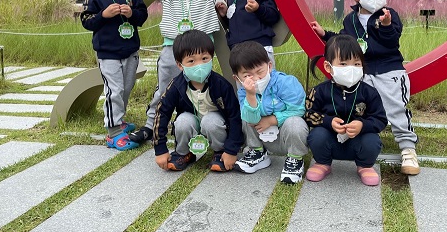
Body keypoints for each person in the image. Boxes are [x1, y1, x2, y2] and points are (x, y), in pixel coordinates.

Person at [310, 0, 420, 175]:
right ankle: (357, 140)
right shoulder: (350, 20)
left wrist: (386, 25)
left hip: (389, 69)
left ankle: (407, 147)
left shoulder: (389, 15)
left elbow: (392, 41)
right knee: (359, 106)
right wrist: (325, 35)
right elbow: (345, 41)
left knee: (395, 106)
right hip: (362, 70)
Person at [129, 0, 225, 144]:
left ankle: (201, 125)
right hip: (172, 47)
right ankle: (151, 125)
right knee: (164, 88)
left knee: (202, 89)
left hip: (201, 50)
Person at [80, 0, 149, 151]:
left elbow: (142, 16)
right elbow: (87, 21)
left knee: (126, 88)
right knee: (114, 90)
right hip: (107, 54)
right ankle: (113, 131)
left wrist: (131, 13)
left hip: (130, 51)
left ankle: (119, 120)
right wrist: (103, 15)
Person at [153, 30, 243, 172]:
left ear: (212, 57)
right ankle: (183, 152)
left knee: (211, 121)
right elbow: (162, 112)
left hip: (215, 123)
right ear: (180, 65)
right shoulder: (176, 86)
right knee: (182, 121)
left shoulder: (222, 85)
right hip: (191, 121)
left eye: (204, 58)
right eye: (191, 61)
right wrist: (160, 149)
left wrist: (231, 150)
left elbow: (234, 116)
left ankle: (220, 152)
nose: (199, 65)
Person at [305, 35, 387, 185]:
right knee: (317, 135)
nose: (351, 69)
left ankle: (365, 166)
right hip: (330, 142)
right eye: (343, 64)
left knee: (372, 140)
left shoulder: (369, 92)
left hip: (358, 143)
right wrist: (328, 121)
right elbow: (308, 115)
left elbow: (380, 119)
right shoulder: (319, 91)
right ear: (328, 67)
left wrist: (363, 125)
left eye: (356, 64)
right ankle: (322, 163)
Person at [231, 41, 309, 184]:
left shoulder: (286, 83)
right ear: (237, 78)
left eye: (260, 72)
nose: (256, 78)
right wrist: (250, 95)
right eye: (247, 75)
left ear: (269, 66)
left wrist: (273, 120)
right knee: (245, 114)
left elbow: (299, 109)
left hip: (286, 136)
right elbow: (250, 119)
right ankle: (258, 152)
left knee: (295, 122)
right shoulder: (243, 92)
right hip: (262, 136)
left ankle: (295, 159)